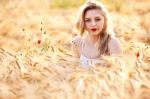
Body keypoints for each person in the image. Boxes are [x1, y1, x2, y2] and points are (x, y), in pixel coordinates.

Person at [72, 0, 122, 68]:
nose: (93, 24)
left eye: (97, 19)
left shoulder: (112, 43)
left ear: (105, 20)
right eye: (88, 20)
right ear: (83, 22)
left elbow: (118, 73)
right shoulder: (77, 42)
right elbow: (73, 70)